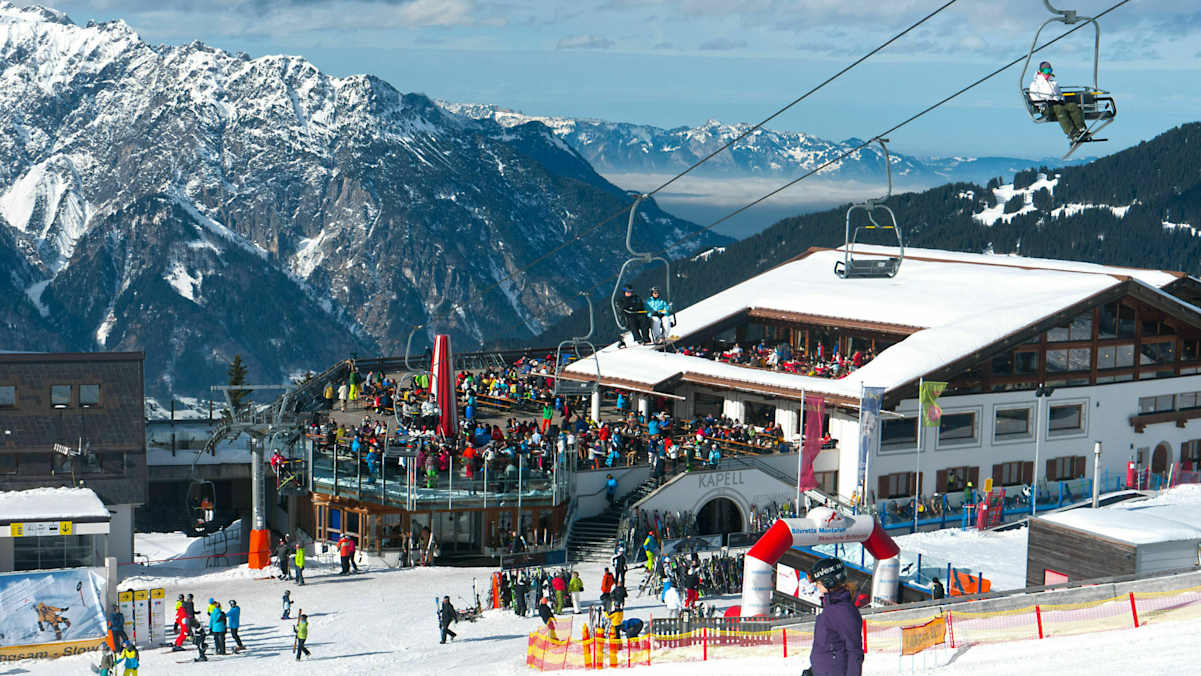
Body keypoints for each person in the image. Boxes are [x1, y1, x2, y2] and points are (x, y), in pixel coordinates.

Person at [806, 557, 863, 676]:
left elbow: (854, 651)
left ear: (828, 582)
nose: (817, 586)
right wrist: (814, 670)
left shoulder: (843, 611)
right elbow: (829, 647)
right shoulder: (830, 608)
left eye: (818, 583)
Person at [1028, 61, 1088, 143]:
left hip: (1056, 103)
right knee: (1059, 109)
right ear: (1040, 72)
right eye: (1046, 71)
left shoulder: (1053, 83)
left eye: (1050, 71)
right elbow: (1034, 97)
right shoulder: (1035, 84)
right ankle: (1071, 132)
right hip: (1045, 107)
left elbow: (1060, 94)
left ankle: (1081, 128)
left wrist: (1060, 99)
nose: (1048, 73)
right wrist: (1045, 102)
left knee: (1072, 106)